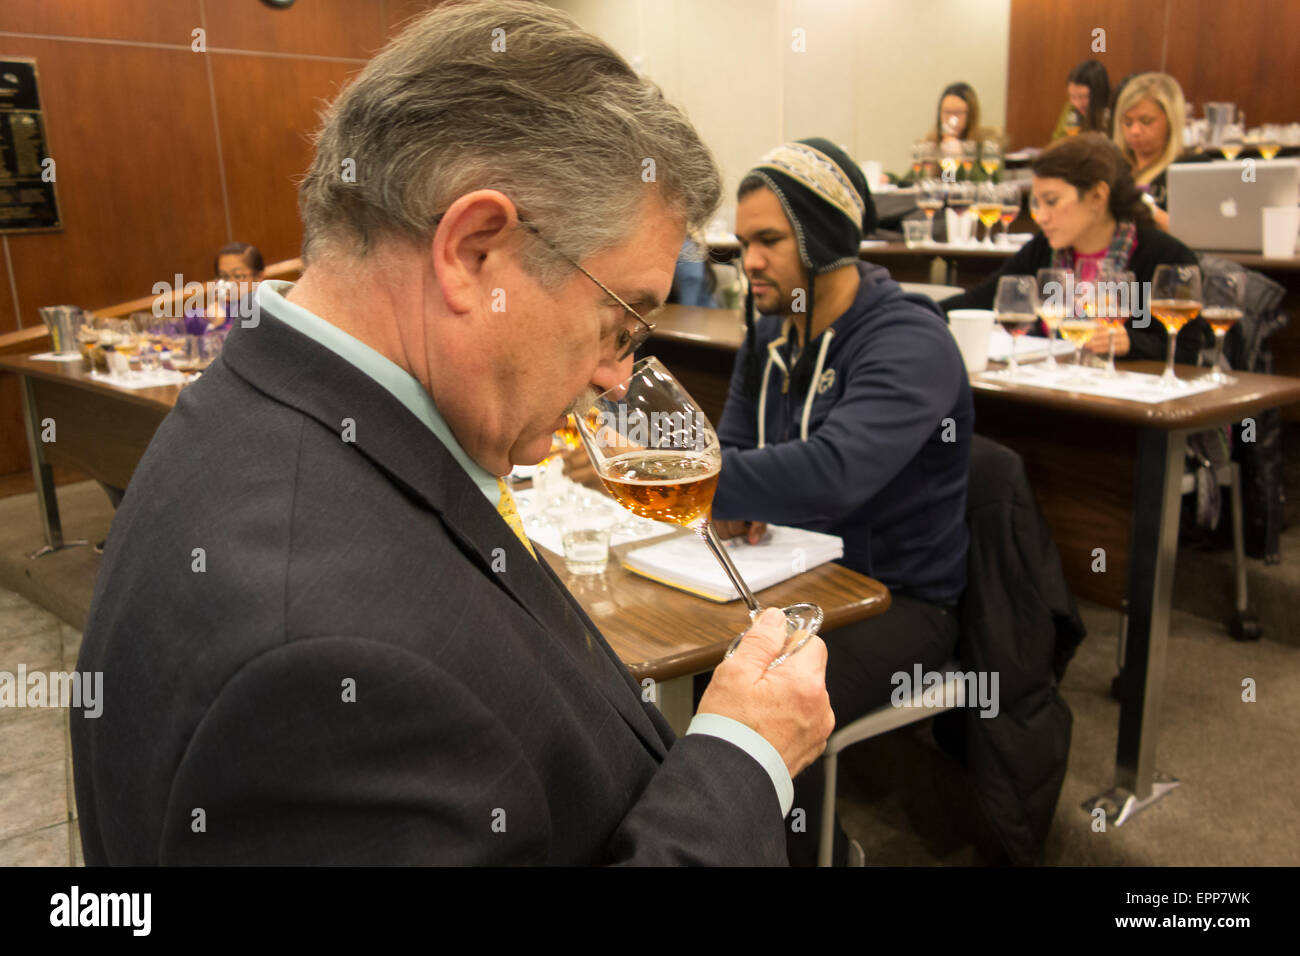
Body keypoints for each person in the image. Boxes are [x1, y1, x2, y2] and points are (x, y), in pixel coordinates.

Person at [71, 0, 834, 866]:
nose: (619, 376)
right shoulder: (325, 668)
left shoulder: (254, 407)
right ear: (475, 252)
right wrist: (743, 760)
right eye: (622, 321)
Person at [711, 137, 973, 865]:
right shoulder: (769, 334)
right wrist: (736, 482)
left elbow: (832, 476)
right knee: (680, 673)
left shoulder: (908, 340)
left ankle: (821, 855)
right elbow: (737, 454)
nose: (749, 262)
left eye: (768, 241)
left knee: (756, 704)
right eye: (742, 244)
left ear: (827, 241)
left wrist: (686, 482)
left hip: (897, 599)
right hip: (788, 575)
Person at [941, 133, 1210, 364]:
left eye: (1052, 201)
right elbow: (977, 301)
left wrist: (1132, 343)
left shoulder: (1163, 257)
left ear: (1097, 196)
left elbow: (1187, 351)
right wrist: (908, 309)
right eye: (1037, 204)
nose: (1041, 217)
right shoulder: (1043, 250)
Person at [1113, 72, 1187, 231]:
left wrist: (1149, 209)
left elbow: (1194, 234)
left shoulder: (1188, 169)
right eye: (1127, 122)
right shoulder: (1114, 169)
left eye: (1146, 121)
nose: (1135, 131)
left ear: (1171, 121)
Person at [1051, 60, 1110, 140]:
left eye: (1083, 96)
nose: (1077, 104)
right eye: (1072, 96)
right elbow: (1059, 142)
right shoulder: (1071, 109)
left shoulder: (1111, 113)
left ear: (1099, 94)